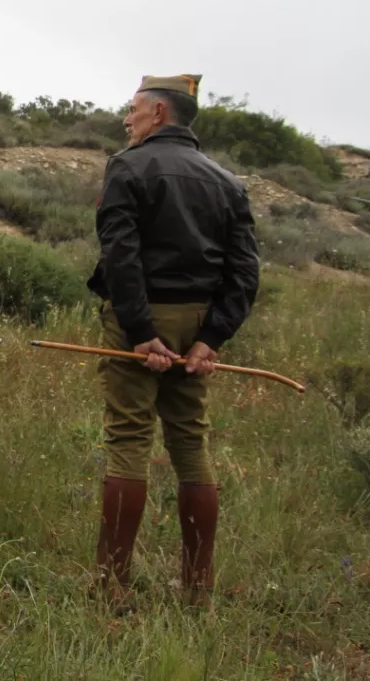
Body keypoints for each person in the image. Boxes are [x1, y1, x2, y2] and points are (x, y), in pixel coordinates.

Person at [88, 74, 259, 609]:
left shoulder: (128, 165)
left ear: (159, 113)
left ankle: (111, 585)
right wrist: (210, 337)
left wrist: (141, 333)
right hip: (196, 322)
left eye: (133, 108)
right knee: (190, 444)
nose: (126, 118)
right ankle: (197, 589)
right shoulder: (227, 181)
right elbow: (245, 270)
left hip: (140, 320)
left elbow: (121, 254)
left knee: (128, 440)